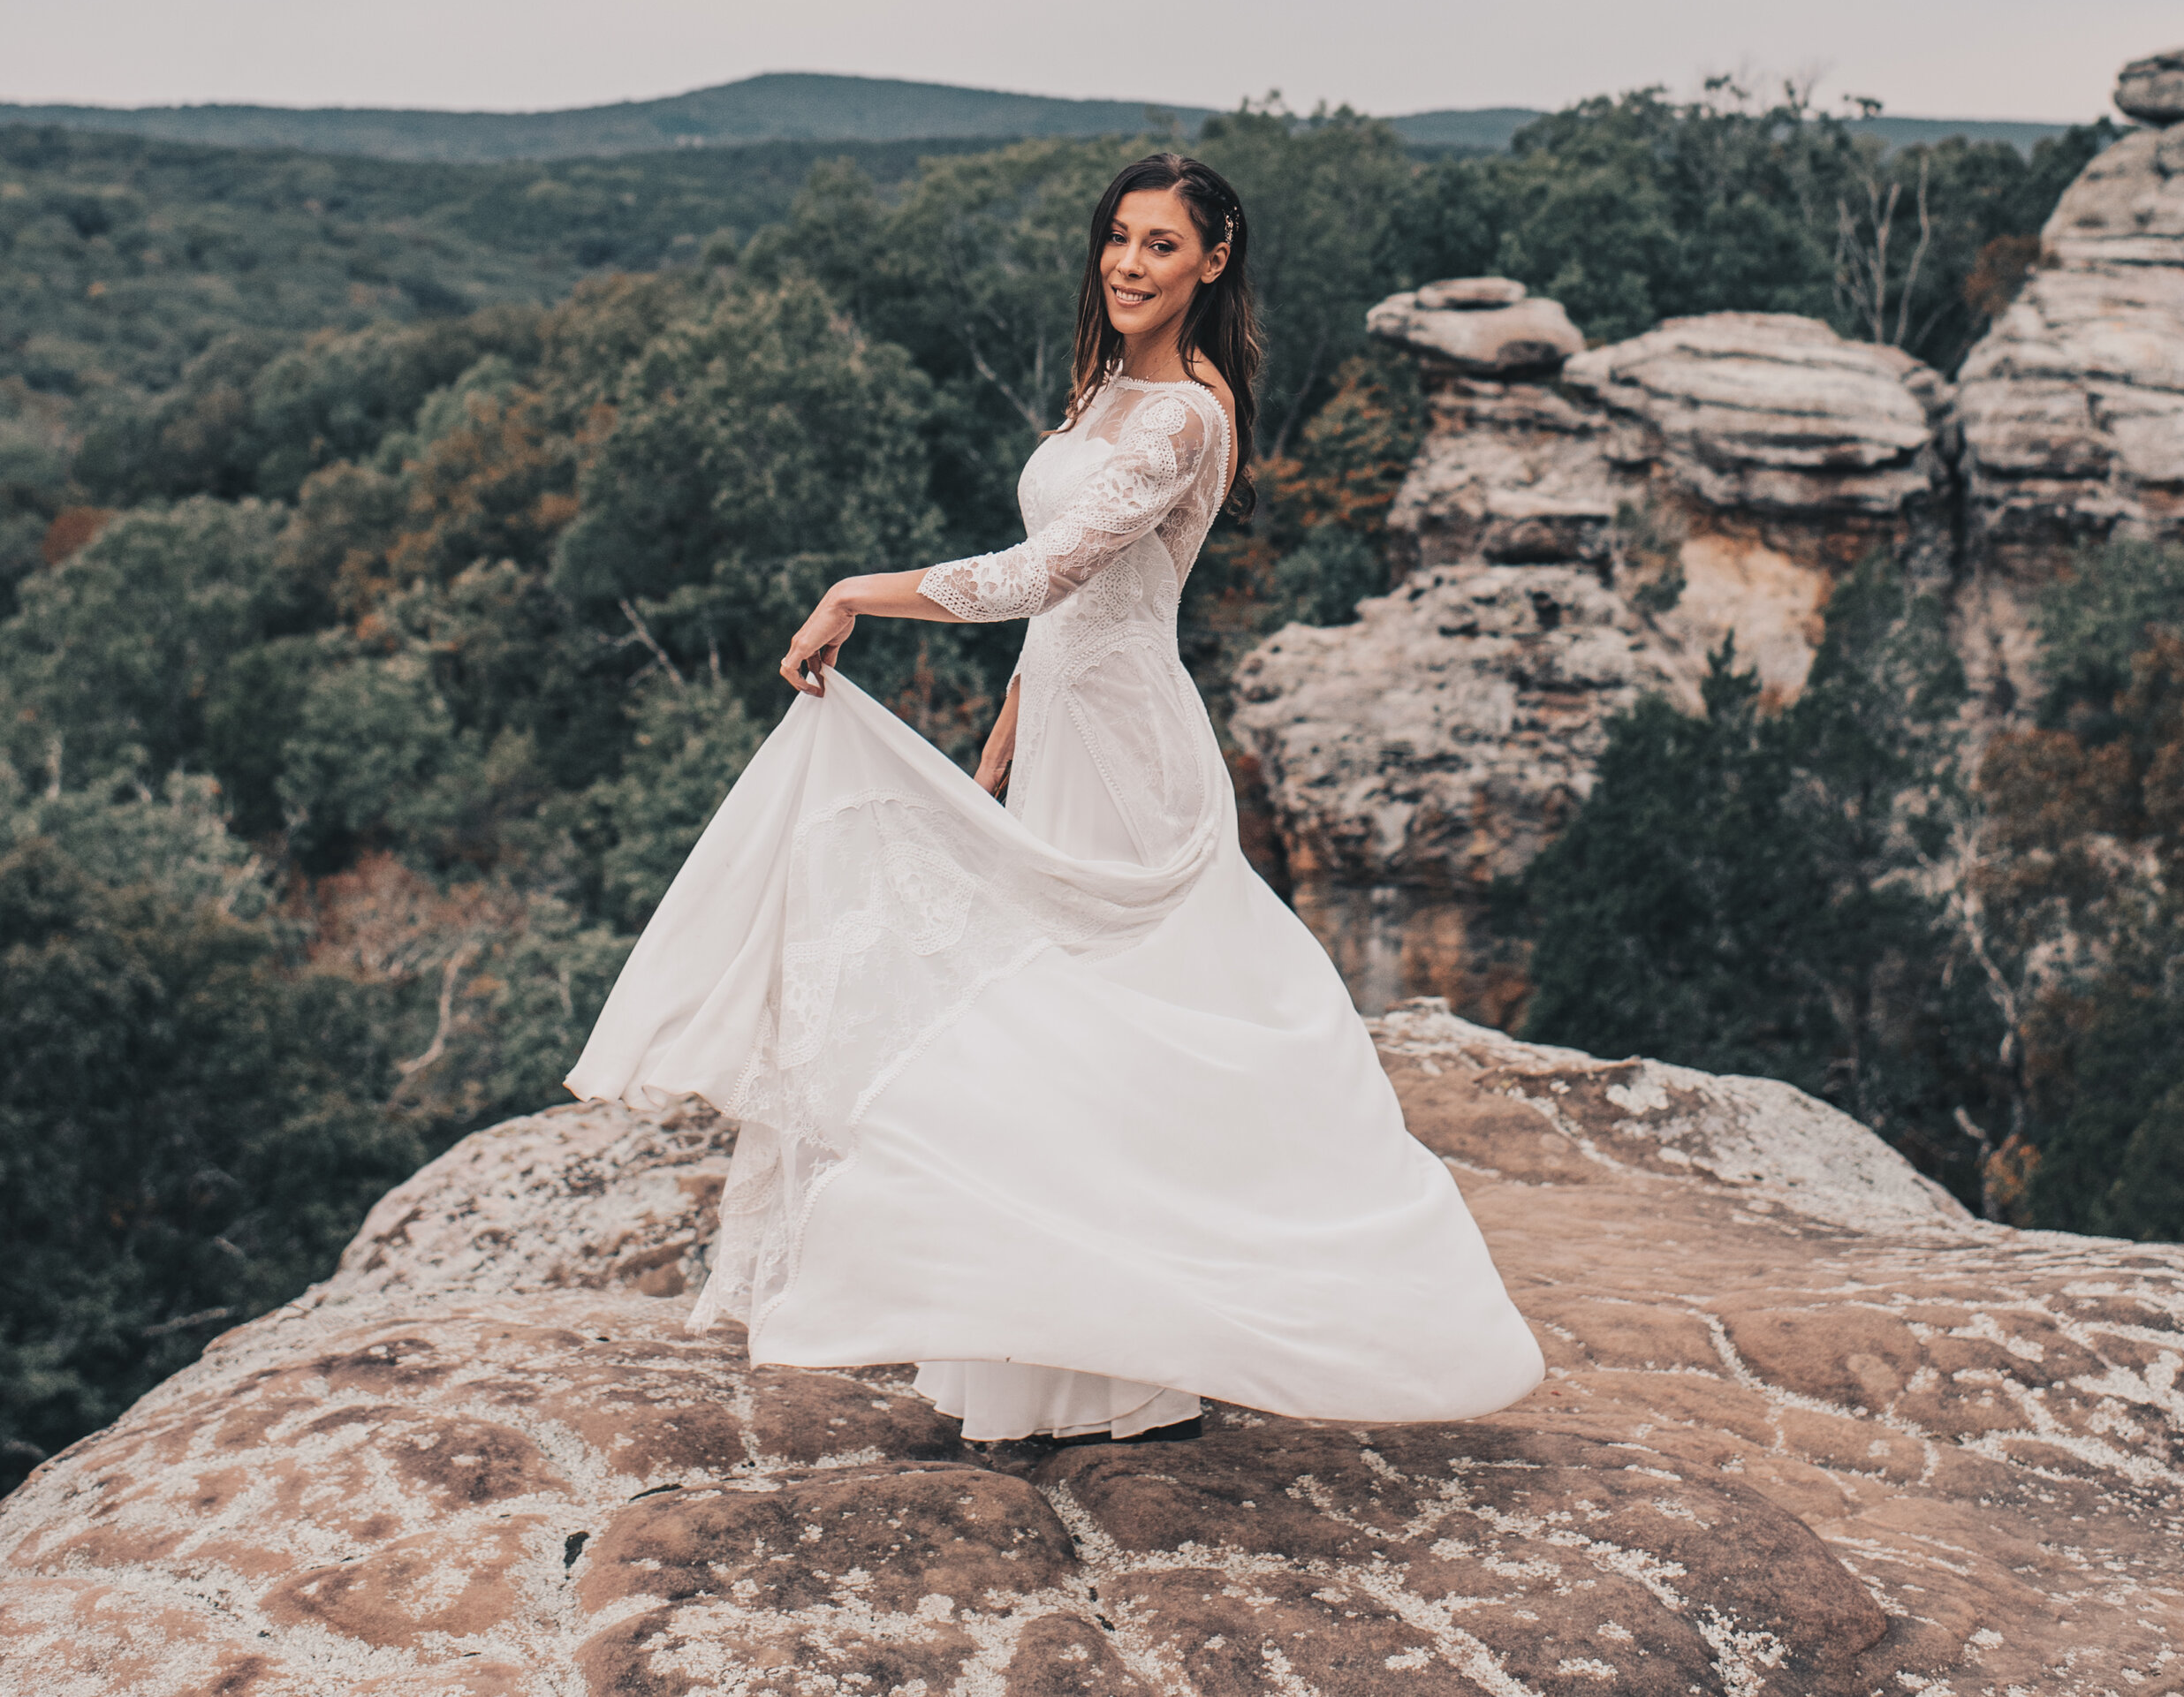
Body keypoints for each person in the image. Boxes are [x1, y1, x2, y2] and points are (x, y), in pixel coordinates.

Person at [566, 152, 1544, 1444]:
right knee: (1051, 1028)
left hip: (1134, 759)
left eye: (1161, 244)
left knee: (1110, 1027)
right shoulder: (1104, 392)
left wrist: (859, 589)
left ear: (1214, 259)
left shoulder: (1189, 416)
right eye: (1119, 238)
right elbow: (1068, 609)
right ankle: (1050, 1338)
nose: (1131, 263)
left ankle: (1147, 1347)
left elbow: (1046, 573)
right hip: (1066, 728)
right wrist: (1007, 733)